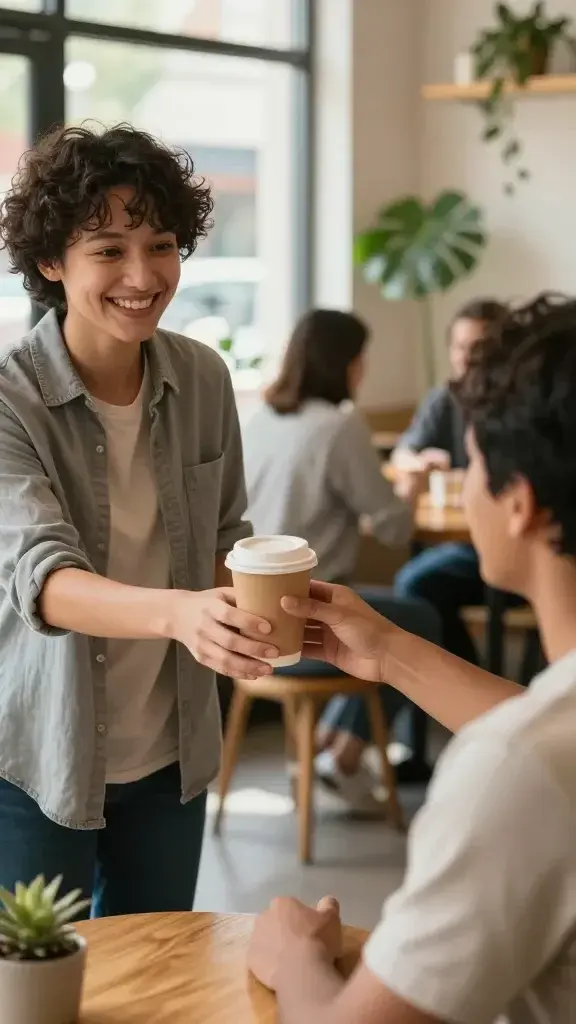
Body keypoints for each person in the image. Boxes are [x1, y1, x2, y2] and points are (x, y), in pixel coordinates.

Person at [248, 293, 576, 1024]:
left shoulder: (512, 776)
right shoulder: (540, 751)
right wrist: (394, 652)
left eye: (476, 461)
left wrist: (295, 955)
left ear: (519, 503)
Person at [0, 124, 278, 915]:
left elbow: (226, 537)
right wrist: (183, 614)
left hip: (171, 754)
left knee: (159, 967)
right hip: (36, 755)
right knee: (39, 976)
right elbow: (43, 579)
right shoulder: (10, 398)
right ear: (52, 263)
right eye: (109, 250)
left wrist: (266, 613)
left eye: (160, 245)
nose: (143, 275)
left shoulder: (203, 377)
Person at [243, 309, 441, 803]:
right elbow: (394, 528)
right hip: (309, 620)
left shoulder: (261, 419)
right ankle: (346, 751)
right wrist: (414, 485)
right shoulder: (340, 427)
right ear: (347, 364)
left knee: (395, 611)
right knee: (419, 619)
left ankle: (330, 742)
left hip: (249, 622)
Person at [393, 298, 509, 663]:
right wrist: (421, 461)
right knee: (416, 583)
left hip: (512, 541)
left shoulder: (522, 403)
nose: (467, 358)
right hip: (467, 544)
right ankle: (472, 675)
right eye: (460, 347)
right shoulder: (445, 398)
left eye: (479, 347)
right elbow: (403, 453)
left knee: (415, 582)